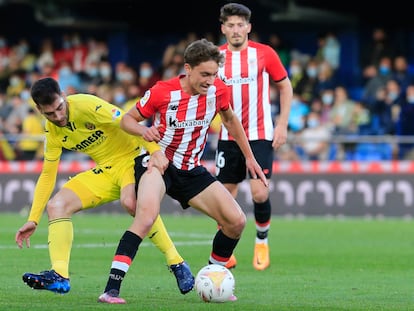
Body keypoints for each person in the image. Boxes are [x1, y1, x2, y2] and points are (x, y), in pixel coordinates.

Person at [97, 38, 268, 304]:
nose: (210, 80)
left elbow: (231, 120)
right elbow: (128, 120)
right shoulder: (162, 91)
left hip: (191, 170)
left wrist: (250, 157)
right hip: (158, 164)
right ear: (187, 69)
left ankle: (213, 277)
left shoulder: (218, 91)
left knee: (236, 222)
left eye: (214, 74)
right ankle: (111, 289)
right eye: (204, 74)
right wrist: (145, 131)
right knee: (145, 219)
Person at [14, 77, 194, 295]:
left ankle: (176, 262)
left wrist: (155, 151)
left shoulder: (87, 105)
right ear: (39, 109)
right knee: (57, 206)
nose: (58, 117)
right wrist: (33, 218)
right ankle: (59, 275)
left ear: (63, 95)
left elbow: (130, 122)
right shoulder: (52, 131)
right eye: (50, 114)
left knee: (131, 203)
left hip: (131, 159)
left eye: (60, 108)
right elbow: (47, 173)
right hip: (106, 170)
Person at [216, 3, 293, 271]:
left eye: (240, 25)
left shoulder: (264, 54)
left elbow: (285, 86)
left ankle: (261, 240)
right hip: (228, 136)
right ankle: (226, 249)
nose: (236, 30)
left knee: (259, 193)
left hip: (260, 134)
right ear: (223, 28)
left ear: (248, 27)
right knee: (225, 196)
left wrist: (282, 124)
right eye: (230, 25)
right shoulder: (216, 57)